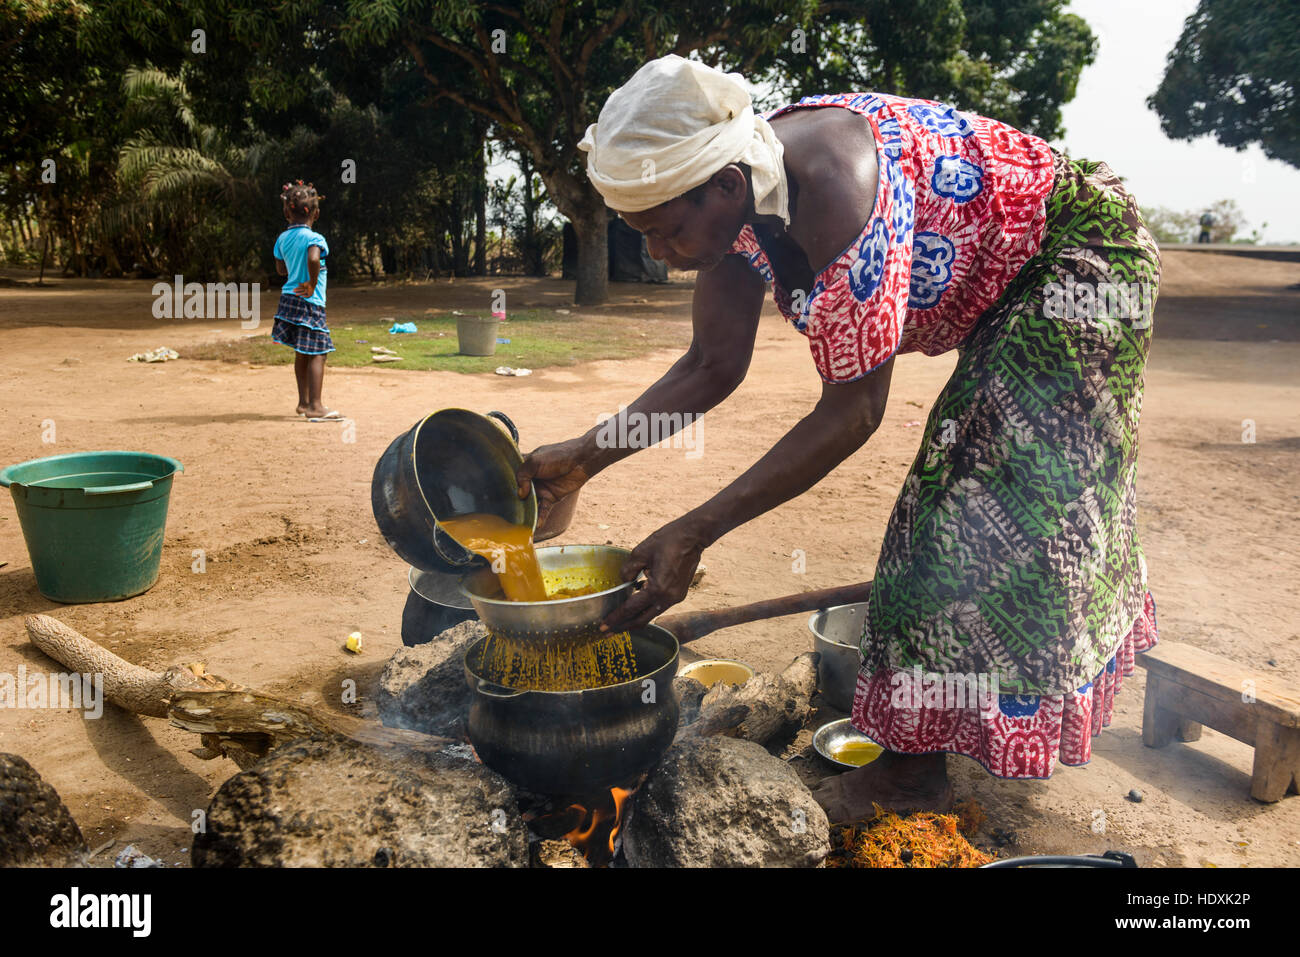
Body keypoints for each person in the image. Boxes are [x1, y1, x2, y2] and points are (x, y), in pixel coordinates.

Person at [517, 56, 1162, 822]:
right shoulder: (736, 205)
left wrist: (693, 532)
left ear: (724, 185)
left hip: (1080, 263)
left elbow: (853, 411)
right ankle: (936, 745)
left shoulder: (836, 190)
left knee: (965, 514)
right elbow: (710, 365)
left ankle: (910, 779)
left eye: (664, 231)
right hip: (1003, 291)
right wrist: (583, 460)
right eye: (643, 235)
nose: (659, 253)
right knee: (969, 507)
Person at [273, 181, 342, 420]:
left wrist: (295, 268)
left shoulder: (282, 239)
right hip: (309, 301)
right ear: (316, 213)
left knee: (302, 351)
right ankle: (316, 406)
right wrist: (311, 283)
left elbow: (281, 269)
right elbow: (314, 258)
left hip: (289, 300)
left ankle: (303, 403)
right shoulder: (316, 238)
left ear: (286, 213)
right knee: (318, 352)